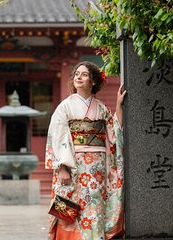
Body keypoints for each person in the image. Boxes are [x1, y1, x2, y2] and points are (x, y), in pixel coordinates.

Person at [45, 61, 126, 240]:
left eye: (84, 74)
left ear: (93, 81)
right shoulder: (65, 107)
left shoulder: (102, 108)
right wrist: (62, 168)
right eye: (76, 74)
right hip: (74, 166)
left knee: (95, 207)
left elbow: (113, 132)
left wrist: (119, 106)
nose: (78, 77)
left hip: (97, 168)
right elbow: (57, 137)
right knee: (71, 207)